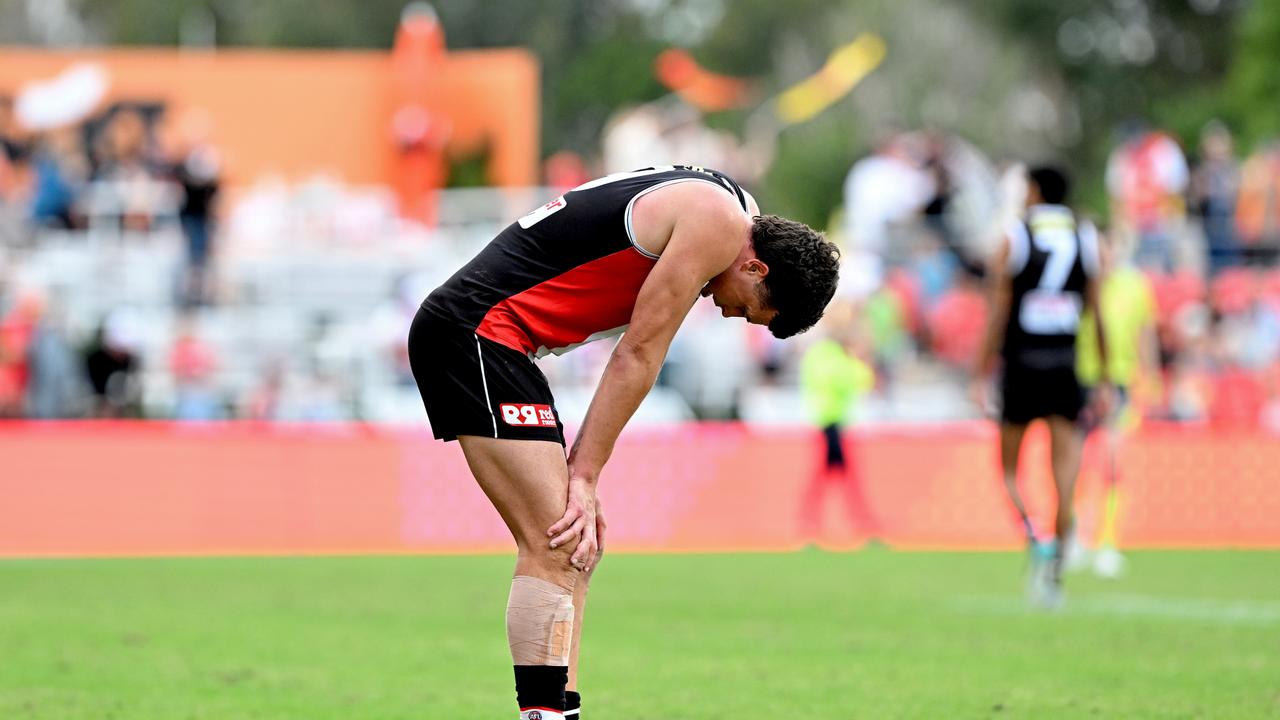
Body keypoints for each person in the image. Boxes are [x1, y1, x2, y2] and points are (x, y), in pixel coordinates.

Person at [407, 165, 840, 719]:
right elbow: (639, 353)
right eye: (748, 308)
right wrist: (583, 477)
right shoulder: (718, 223)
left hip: (498, 339)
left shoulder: (728, 206)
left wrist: (587, 475)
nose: (728, 312)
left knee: (577, 548)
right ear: (755, 266)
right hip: (478, 333)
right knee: (558, 540)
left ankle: (561, 710)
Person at [971, 166, 1109, 608]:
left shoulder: (1014, 235)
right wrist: (1104, 373)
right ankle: (1056, 569)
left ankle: (1036, 539)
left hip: (1022, 364)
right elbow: (1097, 310)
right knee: (1066, 472)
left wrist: (980, 370)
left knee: (1010, 470)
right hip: (1066, 363)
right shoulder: (1087, 236)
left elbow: (999, 309)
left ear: (1032, 190)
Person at [1075, 229, 1159, 579]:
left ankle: (1108, 543)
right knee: (1076, 464)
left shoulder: (1134, 286)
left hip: (1119, 382)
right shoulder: (1077, 285)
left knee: (1111, 462)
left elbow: (1145, 333)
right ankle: (1076, 538)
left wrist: (1151, 377)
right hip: (1081, 381)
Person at [798, 306, 879, 545]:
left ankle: (813, 523)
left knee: (832, 476)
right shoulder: (832, 355)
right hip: (830, 422)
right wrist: (859, 361)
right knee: (840, 476)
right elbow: (853, 380)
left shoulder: (822, 354)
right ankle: (857, 523)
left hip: (831, 422)